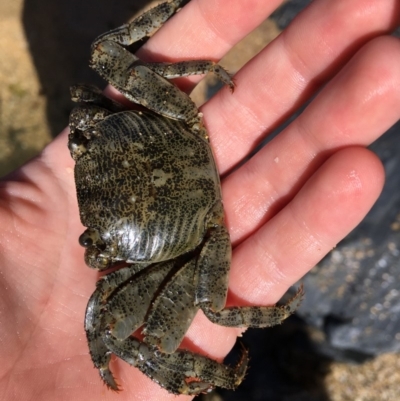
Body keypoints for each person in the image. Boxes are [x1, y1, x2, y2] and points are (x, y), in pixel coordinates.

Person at [0, 0, 399, 399]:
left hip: (195, 231)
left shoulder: (144, 263)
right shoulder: (107, 127)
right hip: (180, 132)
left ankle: (215, 376)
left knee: (157, 324)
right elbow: (104, 68)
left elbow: (163, 322)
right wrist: (180, 71)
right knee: (105, 55)